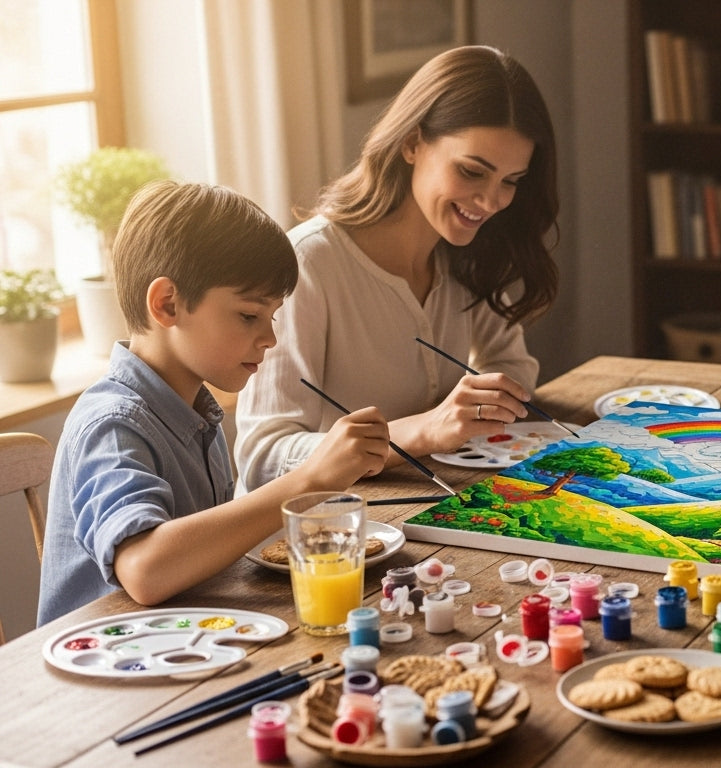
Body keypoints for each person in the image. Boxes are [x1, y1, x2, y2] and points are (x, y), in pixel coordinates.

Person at [38, 182, 390, 625]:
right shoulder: (113, 423)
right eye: (249, 315)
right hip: (102, 675)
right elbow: (146, 570)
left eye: (272, 316)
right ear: (167, 304)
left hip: (183, 640)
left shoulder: (197, 413)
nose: (271, 338)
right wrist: (311, 479)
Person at [235, 45, 559, 491]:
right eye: (471, 171)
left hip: (423, 511)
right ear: (412, 143)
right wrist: (423, 430)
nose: (491, 201)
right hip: (323, 539)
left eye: (511, 182)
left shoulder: (468, 250)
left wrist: (476, 408)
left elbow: (511, 365)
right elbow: (263, 458)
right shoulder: (308, 264)